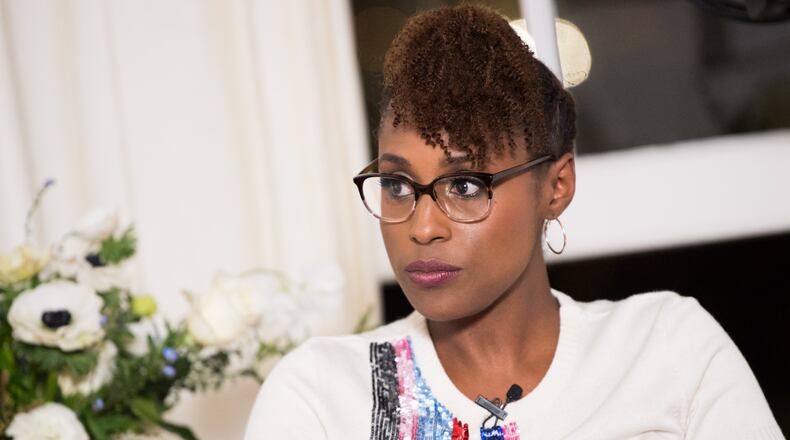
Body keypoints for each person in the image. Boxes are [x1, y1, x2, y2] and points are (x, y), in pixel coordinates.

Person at [244, 4, 783, 439]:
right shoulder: (319, 396)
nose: (422, 226)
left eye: (464, 186)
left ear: (556, 186)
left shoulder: (665, 348)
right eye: (398, 186)